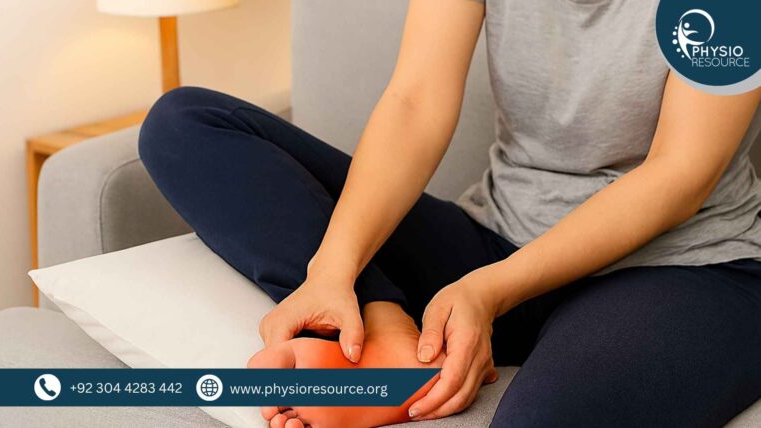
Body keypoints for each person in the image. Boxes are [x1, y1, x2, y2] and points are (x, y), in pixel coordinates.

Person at [138, 0, 761, 426]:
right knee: (186, 125)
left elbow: (679, 174)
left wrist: (486, 292)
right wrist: (336, 271)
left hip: (685, 269)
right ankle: (385, 329)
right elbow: (415, 104)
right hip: (497, 240)